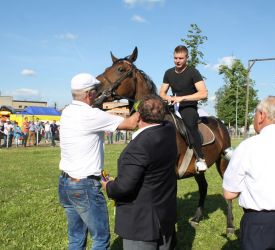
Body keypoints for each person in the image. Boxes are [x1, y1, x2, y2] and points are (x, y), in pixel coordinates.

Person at [58, 73, 139, 250]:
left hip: (65, 183)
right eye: (96, 91)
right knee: (101, 239)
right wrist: (143, 103)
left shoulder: (67, 111)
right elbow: (132, 123)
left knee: (76, 236)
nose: (98, 94)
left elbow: (104, 112)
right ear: (89, 94)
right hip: (84, 186)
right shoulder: (92, 115)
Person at [222, 96, 275, 250]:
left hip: (261, 225)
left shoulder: (247, 147)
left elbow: (229, 194)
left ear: (262, 115)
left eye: (255, 113)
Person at [102, 95, 178, 250]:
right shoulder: (169, 130)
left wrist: (109, 185)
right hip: (165, 214)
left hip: (142, 224)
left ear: (138, 116)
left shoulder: (139, 146)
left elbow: (124, 188)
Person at [159, 45, 208, 172]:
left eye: (181, 58)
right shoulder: (168, 73)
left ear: (187, 58)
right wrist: (167, 97)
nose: (178, 61)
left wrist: (182, 98)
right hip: (172, 105)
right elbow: (162, 93)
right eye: (175, 58)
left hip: (189, 106)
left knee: (190, 125)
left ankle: (200, 158)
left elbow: (203, 93)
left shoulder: (193, 72)